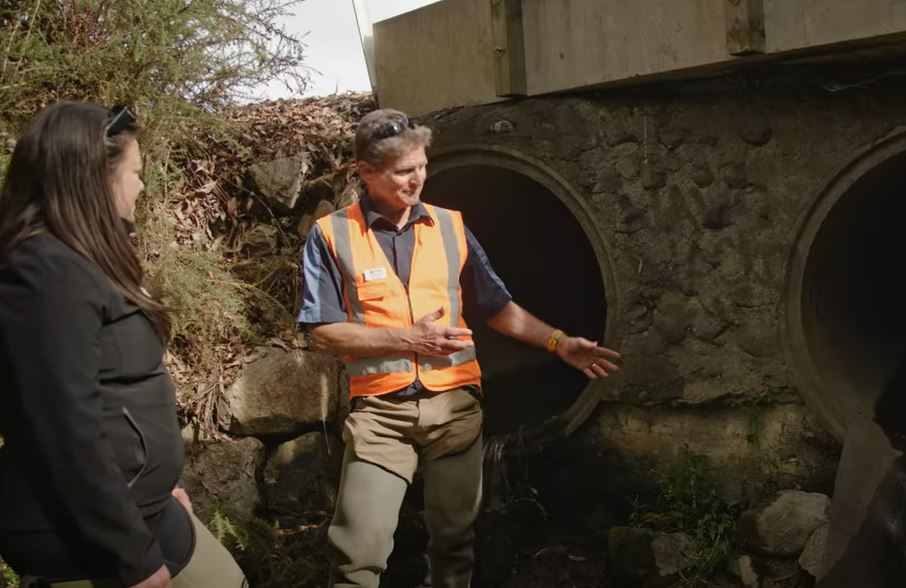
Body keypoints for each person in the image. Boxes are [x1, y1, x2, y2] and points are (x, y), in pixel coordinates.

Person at [298, 108, 621, 588]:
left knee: (454, 546)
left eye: (422, 166)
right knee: (359, 555)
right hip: (381, 419)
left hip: (455, 413)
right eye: (404, 171)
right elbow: (323, 331)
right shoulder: (331, 235)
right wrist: (408, 338)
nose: (418, 179)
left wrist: (558, 342)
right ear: (366, 172)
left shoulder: (450, 227)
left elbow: (498, 308)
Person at [0, 102, 246, 587]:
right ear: (97, 176)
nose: (141, 186)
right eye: (136, 172)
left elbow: (120, 394)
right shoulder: (42, 272)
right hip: (82, 536)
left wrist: (156, 485)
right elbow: (65, 433)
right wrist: (130, 561)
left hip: (141, 508)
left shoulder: (83, 261)